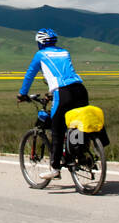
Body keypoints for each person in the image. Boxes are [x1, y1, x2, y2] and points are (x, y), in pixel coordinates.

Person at [17, 29, 89, 181]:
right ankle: (80, 155)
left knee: (57, 129)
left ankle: (55, 168)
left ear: (40, 42)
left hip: (63, 93)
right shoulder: (65, 52)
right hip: (80, 90)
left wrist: (22, 94)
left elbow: (30, 74)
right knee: (76, 125)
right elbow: (65, 74)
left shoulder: (40, 55)